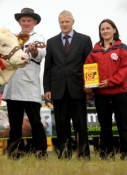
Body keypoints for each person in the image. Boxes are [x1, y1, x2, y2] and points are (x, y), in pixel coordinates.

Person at [43, 10, 92, 160]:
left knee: (80, 124)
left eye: (67, 22)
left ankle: (83, 154)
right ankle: (64, 155)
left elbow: (90, 65)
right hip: (58, 90)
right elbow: (48, 68)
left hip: (78, 89)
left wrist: (90, 85)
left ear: (73, 22)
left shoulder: (84, 40)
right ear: (59, 23)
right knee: (61, 124)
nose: (64, 25)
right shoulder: (51, 42)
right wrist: (47, 89)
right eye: (61, 22)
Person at [2, 7, 47, 159]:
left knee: (35, 122)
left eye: (29, 20)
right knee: (15, 125)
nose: (26, 23)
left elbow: (40, 54)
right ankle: (15, 152)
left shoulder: (39, 37)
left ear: (35, 22)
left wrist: (33, 51)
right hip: (13, 86)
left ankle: (41, 152)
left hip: (30, 87)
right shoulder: (12, 38)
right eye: (23, 20)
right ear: (19, 22)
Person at [84, 19, 127, 160]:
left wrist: (110, 82)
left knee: (123, 125)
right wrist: (89, 85)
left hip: (120, 93)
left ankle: (125, 154)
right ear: (100, 32)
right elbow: (88, 69)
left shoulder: (122, 48)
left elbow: (124, 69)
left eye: (108, 28)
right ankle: (107, 155)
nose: (105, 31)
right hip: (101, 94)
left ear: (114, 30)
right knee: (105, 126)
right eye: (102, 29)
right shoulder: (94, 51)